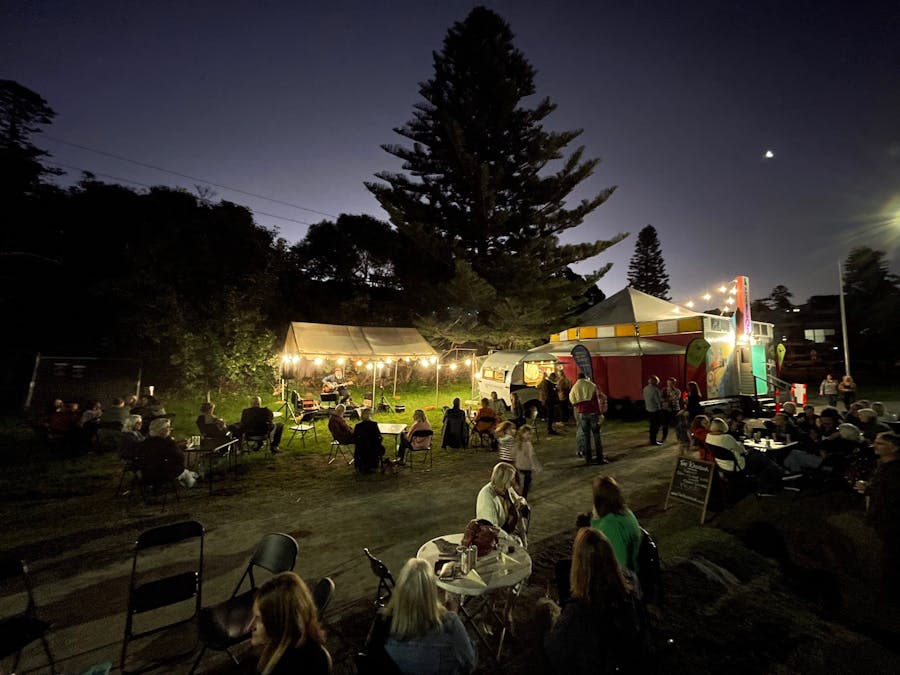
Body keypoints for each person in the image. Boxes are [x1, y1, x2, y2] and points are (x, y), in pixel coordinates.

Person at [542, 528, 651, 674]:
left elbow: (555, 651)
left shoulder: (578, 611)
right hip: (629, 658)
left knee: (543, 607)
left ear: (578, 566)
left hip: (599, 662)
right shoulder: (630, 582)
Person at [372, 558, 476, 675]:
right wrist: (454, 619)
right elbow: (469, 663)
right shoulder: (449, 622)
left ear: (400, 589)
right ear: (431, 592)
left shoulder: (383, 622)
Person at [250, 572, 331, 675]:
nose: (250, 626)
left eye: (259, 620)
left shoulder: (290, 667)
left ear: (278, 624)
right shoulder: (278, 650)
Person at [855, 432, 900, 602]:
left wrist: (868, 490)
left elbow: (890, 495)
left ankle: (890, 592)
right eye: (875, 442)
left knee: (892, 553)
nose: (875, 445)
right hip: (881, 516)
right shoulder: (882, 465)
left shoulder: (895, 470)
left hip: (891, 518)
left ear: (894, 447)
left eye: (880, 443)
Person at [590, 476, 642, 573]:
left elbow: (619, 564)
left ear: (599, 501)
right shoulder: (622, 511)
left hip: (623, 577)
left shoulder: (611, 525)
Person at [138, 417, 197, 488]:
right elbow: (180, 458)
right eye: (168, 427)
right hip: (165, 475)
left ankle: (189, 476)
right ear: (162, 430)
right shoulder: (168, 443)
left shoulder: (144, 443)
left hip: (147, 475)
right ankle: (190, 480)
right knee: (182, 470)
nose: (170, 429)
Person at [476, 462, 528, 537]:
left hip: (510, 532)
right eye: (512, 478)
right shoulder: (486, 497)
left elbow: (520, 499)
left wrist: (521, 501)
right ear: (504, 479)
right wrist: (511, 540)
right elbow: (493, 529)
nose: (513, 482)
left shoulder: (506, 489)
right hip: (495, 538)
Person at [569, 372, 608, 465]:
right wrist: (599, 413)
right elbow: (596, 401)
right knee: (597, 436)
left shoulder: (574, 387)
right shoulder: (591, 385)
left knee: (586, 437)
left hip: (582, 414)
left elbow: (572, 400)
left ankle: (588, 459)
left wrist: (579, 406)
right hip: (592, 413)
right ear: (585, 378)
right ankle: (600, 458)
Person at [353, 407, 385, 474]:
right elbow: (378, 437)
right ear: (370, 415)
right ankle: (373, 464)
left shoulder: (358, 426)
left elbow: (355, 437)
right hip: (373, 448)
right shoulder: (373, 425)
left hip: (361, 448)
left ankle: (361, 465)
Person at [514, 424, 539, 498]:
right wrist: (535, 465)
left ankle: (519, 495)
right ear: (522, 434)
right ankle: (523, 496)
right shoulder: (527, 444)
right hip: (525, 466)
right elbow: (531, 455)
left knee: (521, 481)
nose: (530, 436)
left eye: (531, 434)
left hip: (519, 465)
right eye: (528, 434)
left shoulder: (518, 443)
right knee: (526, 481)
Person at [659, 377, 682, 443]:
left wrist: (667, 399)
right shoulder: (664, 390)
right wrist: (667, 400)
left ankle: (679, 438)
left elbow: (676, 398)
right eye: (668, 382)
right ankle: (663, 438)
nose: (669, 384)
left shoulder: (677, 391)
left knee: (677, 425)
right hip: (665, 409)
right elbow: (661, 399)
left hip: (675, 409)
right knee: (665, 424)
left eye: (671, 383)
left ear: (674, 383)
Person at [537, 371, 560, 436]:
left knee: (550, 415)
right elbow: (547, 393)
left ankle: (550, 428)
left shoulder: (544, 382)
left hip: (546, 401)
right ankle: (550, 429)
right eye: (554, 378)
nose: (555, 379)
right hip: (549, 401)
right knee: (550, 415)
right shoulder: (547, 383)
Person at [642, 376, 662, 446]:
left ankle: (651, 439)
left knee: (652, 425)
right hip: (655, 410)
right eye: (657, 381)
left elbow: (644, 398)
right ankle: (653, 441)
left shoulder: (645, 388)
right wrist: (660, 409)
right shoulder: (655, 389)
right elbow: (658, 401)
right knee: (656, 426)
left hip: (648, 408)